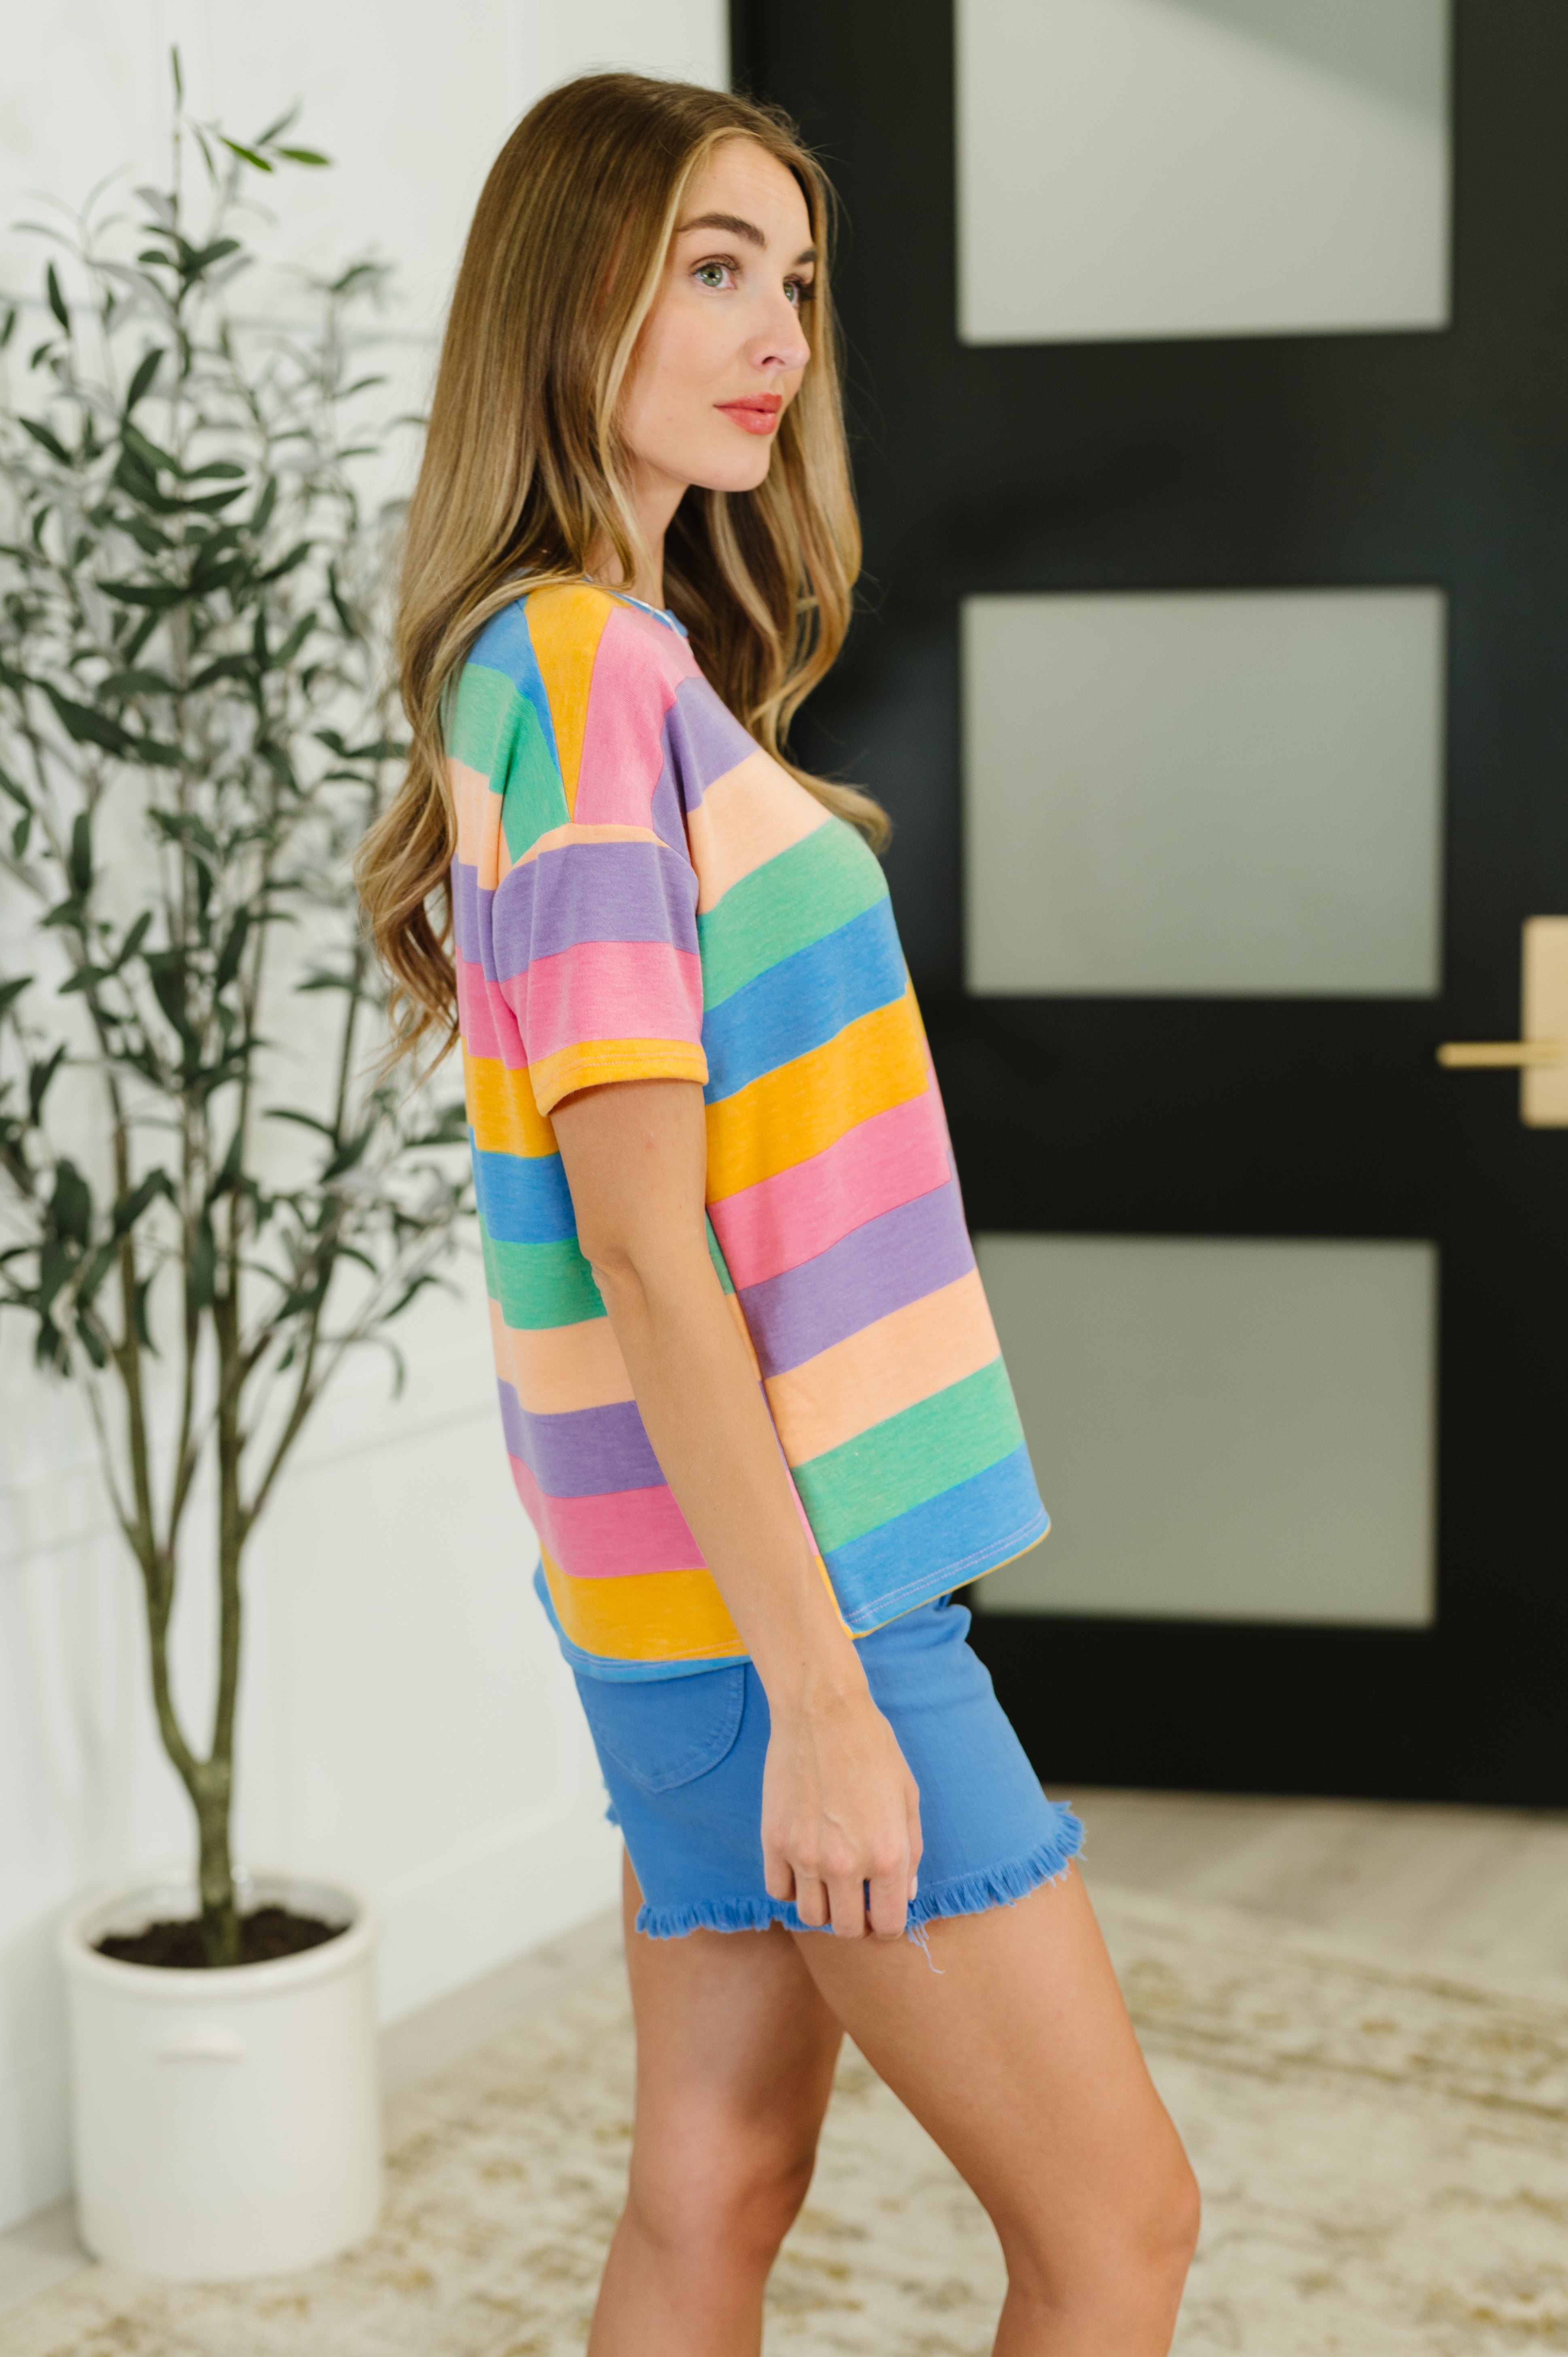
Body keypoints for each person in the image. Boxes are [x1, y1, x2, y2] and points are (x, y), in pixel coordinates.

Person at [359, 70, 1199, 2357]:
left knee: (710, 2192)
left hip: (684, 1587)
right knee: (1116, 2226)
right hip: (783, 1597)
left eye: (794, 283)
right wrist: (825, 1694)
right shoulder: (576, 669)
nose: (775, 333)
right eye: (710, 268)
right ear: (570, 301)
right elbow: (641, 1237)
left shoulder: (578, 673)